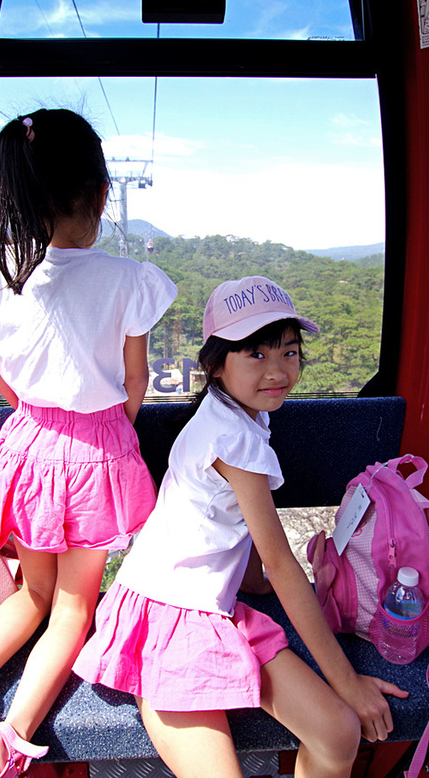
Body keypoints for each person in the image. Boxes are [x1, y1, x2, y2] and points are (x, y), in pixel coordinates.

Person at [0, 109, 177, 778]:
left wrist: (37, 412)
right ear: (102, 192)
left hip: (25, 443)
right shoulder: (126, 278)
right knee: (73, 608)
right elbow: (135, 379)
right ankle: (7, 741)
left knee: (31, 589)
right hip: (95, 453)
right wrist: (111, 433)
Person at [73, 276, 407, 778]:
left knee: (338, 733)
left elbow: (233, 529)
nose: (278, 371)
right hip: (169, 619)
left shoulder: (235, 413)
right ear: (216, 363)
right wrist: (349, 682)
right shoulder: (236, 438)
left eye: (290, 352)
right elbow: (279, 559)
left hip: (214, 608)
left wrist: (256, 585)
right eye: (256, 354)